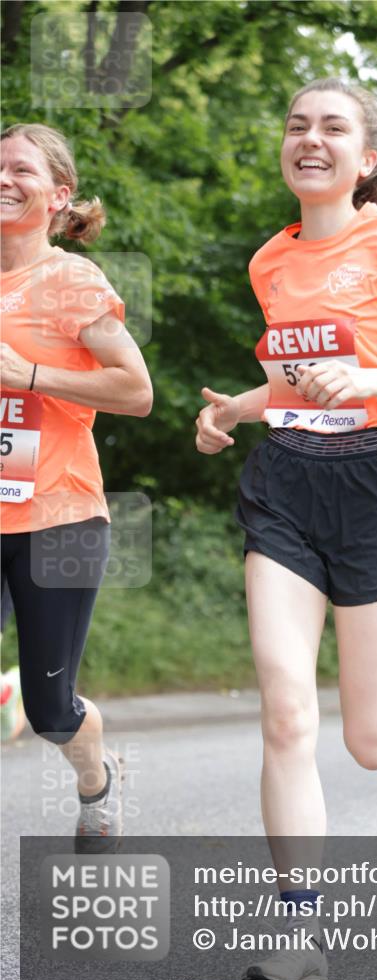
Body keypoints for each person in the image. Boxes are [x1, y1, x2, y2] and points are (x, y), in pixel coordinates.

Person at [196, 77, 377, 980]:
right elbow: (298, 383)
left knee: (370, 738)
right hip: (286, 484)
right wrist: (237, 409)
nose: (309, 139)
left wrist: (370, 377)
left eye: (332, 127)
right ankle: (301, 941)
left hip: (374, 488)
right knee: (286, 709)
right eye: (297, 125)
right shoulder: (269, 262)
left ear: (366, 159)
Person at [0, 124, 152, 846]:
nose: (3, 178)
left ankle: (97, 778)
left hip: (57, 518)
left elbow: (136, 390)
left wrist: (26, 374)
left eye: (20, 169)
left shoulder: (73, 282)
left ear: (59, 196)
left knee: (51, 709)